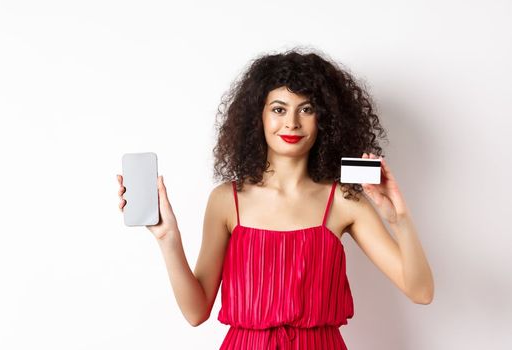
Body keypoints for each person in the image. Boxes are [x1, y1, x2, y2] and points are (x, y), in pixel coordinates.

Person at [115, 49, 434, 349]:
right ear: (258, 117)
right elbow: (196, 312)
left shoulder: (345, 201)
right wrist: (168, 237)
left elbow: (421, 292)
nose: (292, 122)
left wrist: (399, 219)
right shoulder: (227, 200)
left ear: (325, 119)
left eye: (306, 109)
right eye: (279, 109)